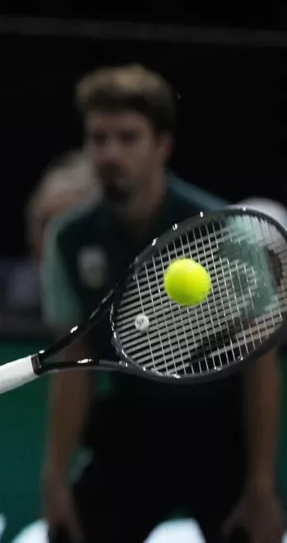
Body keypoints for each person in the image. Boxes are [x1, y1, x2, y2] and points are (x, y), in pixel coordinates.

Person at [40, 64, 285, 543]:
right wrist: (53, 476)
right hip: (132, 430)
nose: (110, 153)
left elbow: (262, 365)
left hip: (220, 434)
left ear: (163, 146)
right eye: (99, 138)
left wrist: (261, 484)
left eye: (127, 138)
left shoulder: (224, 232)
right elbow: (73, 363)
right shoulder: (69, 238)